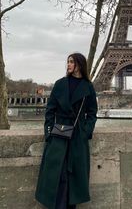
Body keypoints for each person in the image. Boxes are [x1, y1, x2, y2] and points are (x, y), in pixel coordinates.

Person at [35, 53, 98, 209]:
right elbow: (50, 110)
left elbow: (92, 113)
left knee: (73, 176)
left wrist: (86, 132)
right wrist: (48, 133)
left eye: (71, 62)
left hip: (77, 137)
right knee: (58, 174)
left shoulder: (88, 86)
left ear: (79, 64)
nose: (68, 65)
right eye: (68, 62)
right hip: (59, 134)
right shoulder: (59, 84)